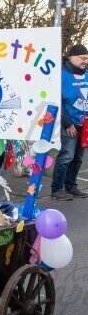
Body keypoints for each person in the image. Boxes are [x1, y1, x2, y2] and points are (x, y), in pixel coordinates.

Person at [51, 43, 88, 201]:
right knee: (66, 157)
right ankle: (57, 189)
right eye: (82, 58)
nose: (85, 61)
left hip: (84, 125)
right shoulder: (62, 76)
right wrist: (67, 123)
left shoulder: (87, 75)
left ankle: (71, 185)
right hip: (70, 125)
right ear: (72, 57)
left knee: (78, 159)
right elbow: (57, 102)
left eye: (87, 58)